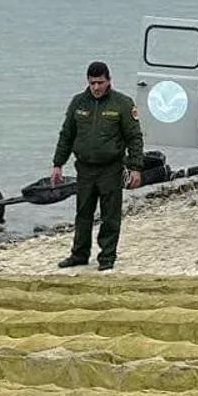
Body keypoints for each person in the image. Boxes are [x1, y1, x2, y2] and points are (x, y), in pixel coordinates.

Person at [51, 60, 144, 270]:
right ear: (87, 81)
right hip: (84, 168)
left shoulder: (122, 103)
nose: (96, 87)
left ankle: (107, 257)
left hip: (111, 168)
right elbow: (66, 135)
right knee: (83, 212)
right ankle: (79, 254)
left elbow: (134, 138)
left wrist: (136, 167)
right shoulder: (78, 103)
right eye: (92, 83)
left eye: (100, 82)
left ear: (109, 81)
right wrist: (58, 164)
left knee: (110, 214)